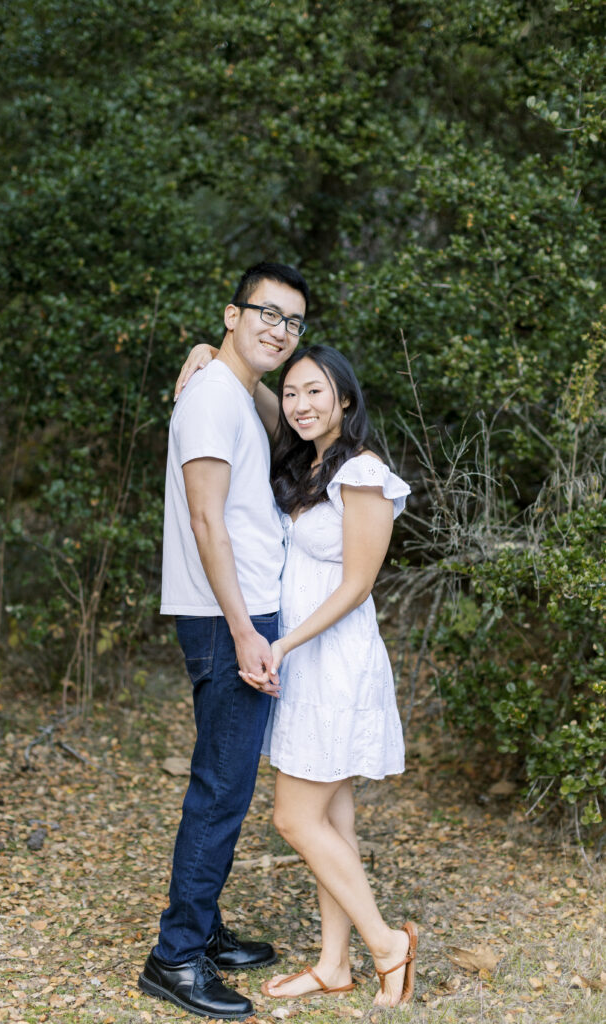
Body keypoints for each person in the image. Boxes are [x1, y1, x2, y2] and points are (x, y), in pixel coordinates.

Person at [177, 342, 418, 1009]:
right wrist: (213, 356)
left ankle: (387, 944)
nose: (301, 404)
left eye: (316, 392)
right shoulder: (307, 461)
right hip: (300, 659)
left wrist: (282, 645)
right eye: (290, 392)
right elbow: (276, 406)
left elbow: (356, 584)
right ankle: (333, 963)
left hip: (332, 657)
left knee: (293, 817)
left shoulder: (362, 473)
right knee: (331, 819)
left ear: (344, 398)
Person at [138, 262, 310, 1021]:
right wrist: (243, 631)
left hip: (244, 611)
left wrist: (220, 351)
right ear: (232, 312)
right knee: (220, 788)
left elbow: (282, 418)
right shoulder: (210, 402)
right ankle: (175, 957)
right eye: (264, 313)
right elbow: (207, 521)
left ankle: (202, 932)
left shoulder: (232, 393)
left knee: (228, 785)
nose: (278, 329)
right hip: (225, 617)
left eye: (292, 322)